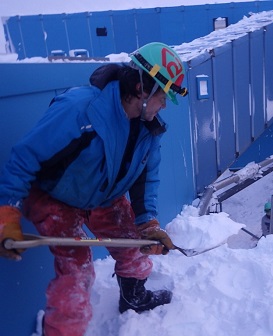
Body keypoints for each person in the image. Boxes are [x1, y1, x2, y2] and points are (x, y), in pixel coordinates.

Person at [0, 42, 188, 336]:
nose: (164, 105)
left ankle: (134, 297)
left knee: (134, 244)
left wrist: (147, 222)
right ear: (143, 89)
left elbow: (145, 179)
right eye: (163, 96)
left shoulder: (148, 129)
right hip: (55, 197)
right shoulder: (81, 109)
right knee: (77, 273)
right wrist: (7, 212)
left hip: (103, 196)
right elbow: (25, 156)